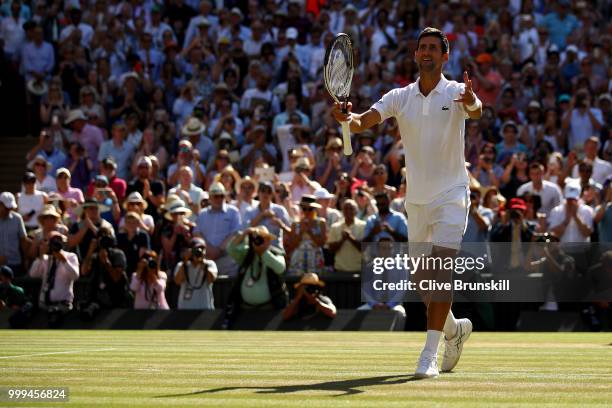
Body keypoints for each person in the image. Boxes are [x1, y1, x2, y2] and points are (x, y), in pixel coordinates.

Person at [332, 27, 482, 378]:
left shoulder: (458, 91)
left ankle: (429, 353)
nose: (427, 52)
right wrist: (346, 120)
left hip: (452, 195)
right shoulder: (399, 96)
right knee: (423, 281)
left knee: (441, 272)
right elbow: (362, 121)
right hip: (415, 200)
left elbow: (475, 111)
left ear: (445, 56)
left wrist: (472, 101)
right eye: (422, 47)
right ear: (416, 55)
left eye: (434, 48)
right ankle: (454, 330)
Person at [224, 226, 287, 328]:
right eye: (258, 238)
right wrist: (245, 233)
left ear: (269, 241)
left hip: (269, 309)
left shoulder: (276, 253)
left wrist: (263, 253)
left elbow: (280, 268)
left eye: (264, 238)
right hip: (245, 310)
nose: (260, 241)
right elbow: (230, 249)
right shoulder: (246, 253)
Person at [28, 231, 79, 326]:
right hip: (45, 305)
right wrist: (40, 257)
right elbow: (33, 274)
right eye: (52, 241)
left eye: (58, 240)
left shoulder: (70, 256)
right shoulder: (46, 258)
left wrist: (64, 260)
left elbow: (75, 276)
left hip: (63, 305)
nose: (55, 243)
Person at [80, 227, 132, 319]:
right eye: (101, 236)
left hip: (116, 299)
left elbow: (117, 278)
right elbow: (84, 271)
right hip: (97, 299)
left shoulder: (118, 254)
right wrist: (90, 250)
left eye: (106, 236)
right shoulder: (94, 256)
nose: (103, 239)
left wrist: (107, 263)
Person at [174, 237, 218, 310]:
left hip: (205, 307)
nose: (199, 251)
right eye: (196, 249)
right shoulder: (182, 265)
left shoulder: (210, 264)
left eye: (202, 249)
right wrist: (185, 260)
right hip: (185, 308)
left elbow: (211, 279)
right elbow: (178, 281)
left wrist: (203, 265)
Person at [327, 199, 366, 274]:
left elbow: (364, 248)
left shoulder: (363, 226)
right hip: (340, 270)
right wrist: (342, 240)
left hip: (358, 270)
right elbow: (331, 250)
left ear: (356, 211)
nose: (348, 211)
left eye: (351, 208)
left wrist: (350, 238)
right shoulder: (335, 227)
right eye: (346, 208)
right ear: (342, 211)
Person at [0, 192, 30, 276]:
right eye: (6, 208)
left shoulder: (17, 218)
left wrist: (26, 259)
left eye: (10, 208)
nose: (8, 210)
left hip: (15, 263)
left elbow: (23, 240)